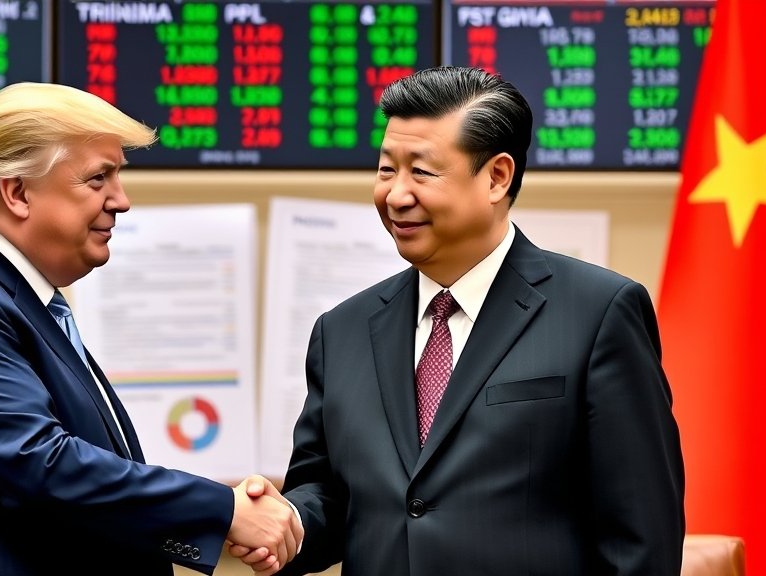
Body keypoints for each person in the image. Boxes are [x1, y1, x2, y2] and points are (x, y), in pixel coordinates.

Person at [235, 66, 685, 575]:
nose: (396, 195)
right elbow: (333, 499)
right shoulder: (341, 331)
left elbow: (640, 538)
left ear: (497, 177)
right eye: (386, 170)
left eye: (422, 172)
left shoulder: (599, 313)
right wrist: (286, 519)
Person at [0, 82, 301, 576]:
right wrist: (226, 511)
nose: (122, 200)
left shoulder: (23, 300)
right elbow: (40, 464)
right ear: (17, 191)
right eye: (98, 179)